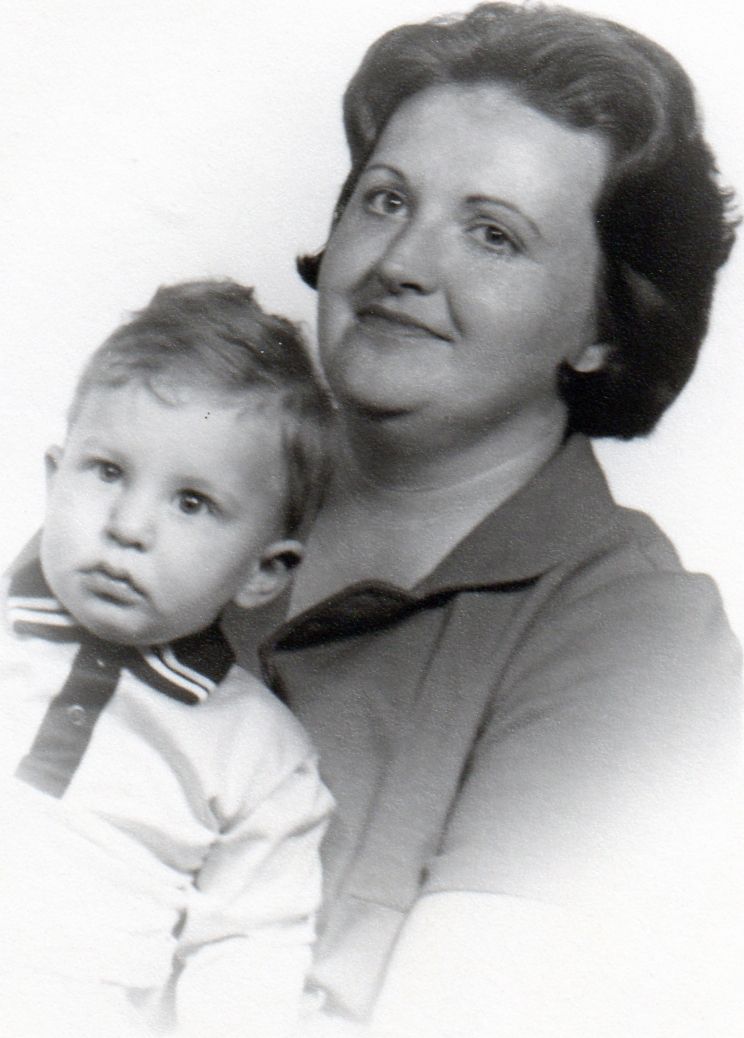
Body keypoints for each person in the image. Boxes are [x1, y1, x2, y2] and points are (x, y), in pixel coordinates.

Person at [222, 4, 743, 1036]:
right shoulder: (171, 477)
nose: (401, 263)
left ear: (604, 329)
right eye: (386, 199)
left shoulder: (642, 650)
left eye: (493, 234)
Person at [0, 280, 334, 1037]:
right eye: (107, 471)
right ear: (54, 479)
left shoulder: (260, 759)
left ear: (265, 570)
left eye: (191, 503)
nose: (127, 526)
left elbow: (248, 960)